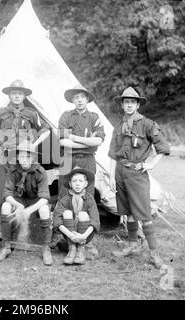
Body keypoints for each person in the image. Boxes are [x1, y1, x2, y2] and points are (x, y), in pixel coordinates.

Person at [108, 86, 170, 268]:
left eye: (132, 102)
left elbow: (163, 148)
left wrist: (151, 163)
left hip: (137, 174)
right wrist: (111, 177)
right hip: (120, 172)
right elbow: (112, 155)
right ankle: (133, 245)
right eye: (126, 102)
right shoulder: (118, 127)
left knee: (143, 213)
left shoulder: (148, 124)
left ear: (137, 105)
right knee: (128, 212)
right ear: (122, 104)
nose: (129, 105)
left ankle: (154, 254)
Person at [0, 79, 50, 208]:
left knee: (25, 188)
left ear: (24, 96)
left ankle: (25, 220)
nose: (17, 96)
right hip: (6, 156)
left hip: (25, 158)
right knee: (4, 189)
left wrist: (34, 145)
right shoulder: (0, 112)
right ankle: (5, 222)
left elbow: (46, 130)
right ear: (9, 95)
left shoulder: (31, 113)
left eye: (20, 93)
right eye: (14, 93)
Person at [55, 84, 105, 257]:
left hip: (88, 160)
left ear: (87, 99)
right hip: (68, 158)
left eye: (82, 97)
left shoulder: (94, 117)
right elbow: (63, 142)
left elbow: (98, 141)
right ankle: (65, 238)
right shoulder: (66, 116)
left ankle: (86, 241)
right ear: (72, 100)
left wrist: (75, 137)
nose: (79, 100)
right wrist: (86, 141)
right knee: (65, 196)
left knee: (87, 197)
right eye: (76, 97)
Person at [0, 141, 53, 266]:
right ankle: (6, 245)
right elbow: (7, 193)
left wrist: (28, 210)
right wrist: (17, 205)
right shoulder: (13, 170)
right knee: (5, 206)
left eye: (27, 157)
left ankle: (46, 248)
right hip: (19, 200)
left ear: (32, 157)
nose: (24, 160)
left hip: (35, 201)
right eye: (21, 156)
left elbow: (44, 198)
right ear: (17, 157)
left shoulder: (40, 171)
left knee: (44, 210)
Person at [53, 167, 100, 265]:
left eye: (80, 181)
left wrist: (83, 236)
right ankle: (72, 248)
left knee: (83, 214)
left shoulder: (90, 199)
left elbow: (95, 221)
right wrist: (71, 236)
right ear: (70, 184)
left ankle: (81, 249)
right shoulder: (65, 199)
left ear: (86, 184)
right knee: (66, 213)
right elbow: (57, 220)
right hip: (69, 235)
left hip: (85, 235)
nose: (77, 184)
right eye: (74, 181)